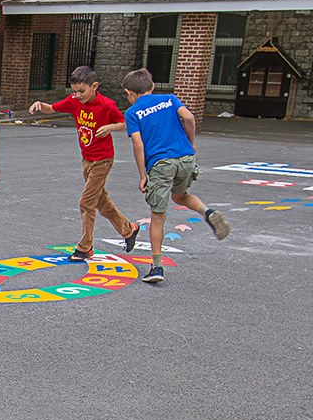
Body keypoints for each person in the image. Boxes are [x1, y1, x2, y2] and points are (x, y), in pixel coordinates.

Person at [120, 68, 230, 284]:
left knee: (157, 216)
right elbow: (188, 117)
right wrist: (191, 142)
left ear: (128, 93)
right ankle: (208, 212)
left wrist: (143, 175)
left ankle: (156, 266)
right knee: (180, 195)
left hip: (161, 164)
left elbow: (138, 144)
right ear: (152, 87)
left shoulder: (132, 113)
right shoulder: (169, 99)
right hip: (186, 158)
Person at [29, 66, 140, 261]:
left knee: (86, 203)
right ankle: (128, 229)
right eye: (74, 91)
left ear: (94, 86)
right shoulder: (73, 101)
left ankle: (85, 246)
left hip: (103, 160)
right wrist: (40, 104)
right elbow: (53, 108)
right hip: (86, 159)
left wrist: (110, 127)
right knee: (101, 202)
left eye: (82, 91)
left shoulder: (106, 105)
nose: (77, 95)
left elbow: (125, 123)